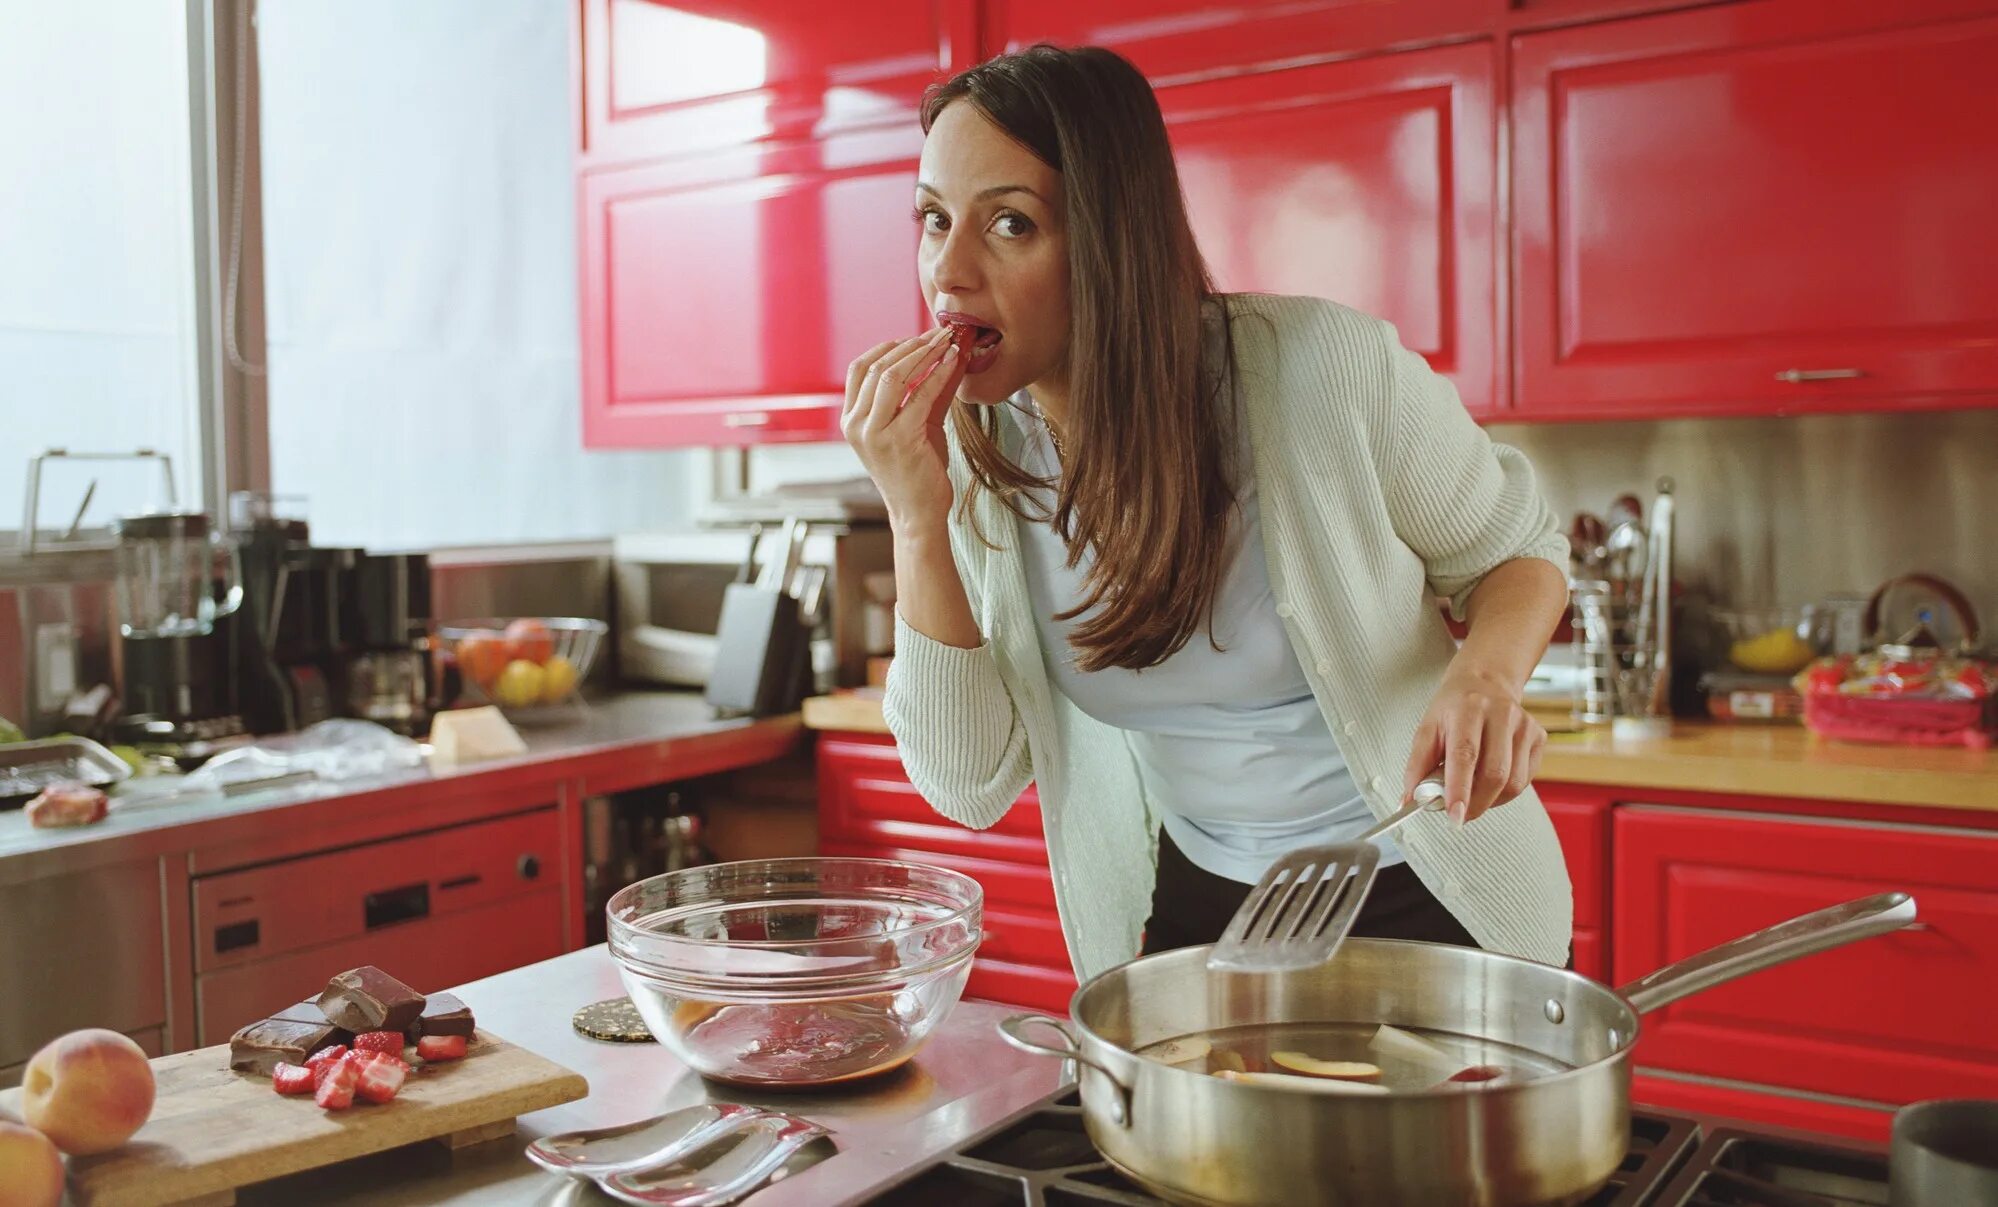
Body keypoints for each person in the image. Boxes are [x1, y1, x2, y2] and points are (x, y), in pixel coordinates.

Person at [841, 44, 1572, 981]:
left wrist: (1488, 678)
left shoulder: (1324, 371)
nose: (948, 269)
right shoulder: (973, 455)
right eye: (934, 218)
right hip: (1201, 896)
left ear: (1109, 240)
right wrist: (913, 516)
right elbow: (967, 783)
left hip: (1427, 875)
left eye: (1012, 224)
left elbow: (1518, 551)